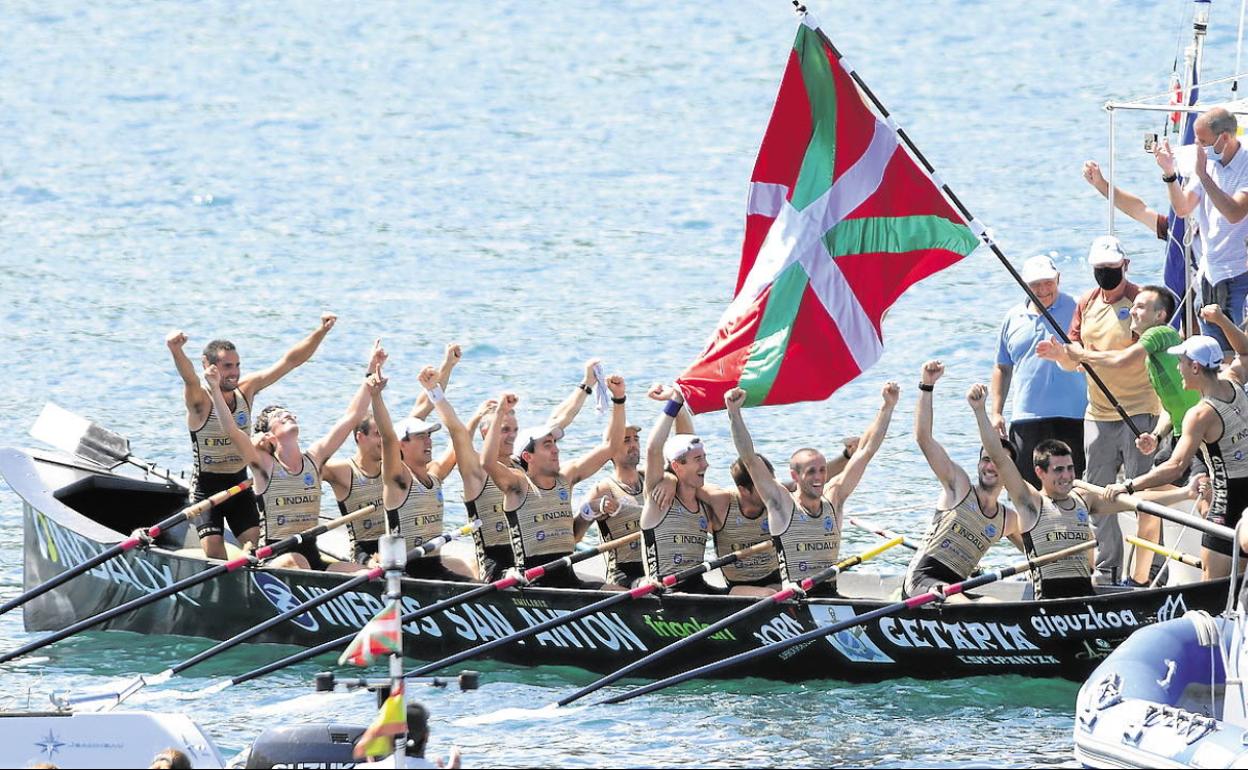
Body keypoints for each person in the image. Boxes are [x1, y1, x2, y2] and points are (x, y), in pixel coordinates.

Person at [1038, 285, 1202, 585]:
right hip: (1178, 435)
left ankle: (1215, 574)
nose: (1132, 312)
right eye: (1133, 306)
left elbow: (1121, 360)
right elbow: (1168, 406)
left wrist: (1083, 354)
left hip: (1200, 434)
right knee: (1146, 504)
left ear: (1160, 315)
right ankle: (1140, 582)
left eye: (1140, 307)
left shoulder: (1159, 334)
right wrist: (1156, 434)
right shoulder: (1153, 359)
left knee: (1203, 500)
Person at [968, 384, 1192, 598]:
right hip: (1050, 603)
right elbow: (998, 457)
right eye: (1058, 470)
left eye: (1070, 468)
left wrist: (1186, 493)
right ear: (1039, 472)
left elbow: (1139, 501)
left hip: (1086, 600)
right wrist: (980, 411)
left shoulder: (1083, 499)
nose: (1066, 476)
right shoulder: (1030, 502)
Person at [166, 314, 337, 560]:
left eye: (237, 365)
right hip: (207, 487)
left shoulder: (246, 389)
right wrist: (176, 350)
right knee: (214, 551)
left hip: (240, 484)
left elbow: (290, 361)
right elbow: (189, 379)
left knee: (253, 546)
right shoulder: (200, 401)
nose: (234, 373)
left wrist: (321, 331)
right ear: (207, 365)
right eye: (227, 366)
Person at [204, 343, 383, 572]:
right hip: (276, 558)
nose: (286, 415)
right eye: (278, 416)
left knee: (369, 574)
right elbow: (231, 429)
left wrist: (370, 372)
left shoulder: (314, 459)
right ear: (269, 435)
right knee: (295, 561)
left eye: (288, 413)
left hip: (311, 557)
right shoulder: (264, 465)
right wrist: (214, 389)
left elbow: (352, 416)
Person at [724, 383, 898, 597]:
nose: (819, 477)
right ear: (795, 476)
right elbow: (750, 459)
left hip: (830, 595)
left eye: (822, 470)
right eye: (811, 472)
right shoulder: (782, 504)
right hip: (794, 599)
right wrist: (734, 412)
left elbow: (865, 452)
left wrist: (887, 407)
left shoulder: (834, 498)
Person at [1105, 333, 1248, 579]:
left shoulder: (1201, 414)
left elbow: (1176, 466)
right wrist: (1219, 320)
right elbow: (1244, 352)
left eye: (1180, 362)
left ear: (1195, 367)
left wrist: (1128, 486)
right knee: (1241, 586)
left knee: (1213, 590)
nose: (1178, 368)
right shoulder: (1234, 379)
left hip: (1229, 505)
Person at [1065, 235, 1162, 583]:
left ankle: (1151, 570)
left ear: (1125, 266)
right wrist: (1064, 354)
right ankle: (1107, 568)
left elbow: (1128, 358)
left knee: (1142, 494)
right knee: (1097, 494)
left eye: (1112, 267)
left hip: (1139, 411)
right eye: (1100, 268)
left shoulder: (1141, 302)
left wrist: (1085, 356)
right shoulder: (1086, 302)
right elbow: (1073, 349)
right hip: (1098, 412)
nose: (1106, 273)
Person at [462, 358, 605, 581]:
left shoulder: (523, 467)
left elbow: (558, 420)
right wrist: (481, 416)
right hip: (497, 565)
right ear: (486, 433)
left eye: (515, 430)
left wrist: (586, 384)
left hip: (529, 556)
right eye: (505, 430)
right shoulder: (477, 471)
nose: (512, 436)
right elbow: (460, 439)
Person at [481, 375, 627, 589]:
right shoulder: (518, 484)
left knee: (632, 598)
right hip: (532, 584)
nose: (556, 449)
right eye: (547, 445)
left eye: (555, 443)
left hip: (569, 580)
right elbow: (487, 462)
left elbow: (611, 446)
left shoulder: (566, 478)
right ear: (528, 456)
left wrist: (619, 399)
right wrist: (500, 413)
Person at [325, 344, 465, 564]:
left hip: (398, 544)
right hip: (365, 552)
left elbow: (426, 405)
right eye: (377, 434)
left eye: (384, 434)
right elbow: (349, 420)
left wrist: (447, 365)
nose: (384, 439)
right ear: (360, 437)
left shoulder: (396, 462)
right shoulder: (343, 471)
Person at [906, 360, 1023, 600]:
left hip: (955, 589)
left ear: (1010, 470)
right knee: (971, 605)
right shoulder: (958, 486)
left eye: (997, 461)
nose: (990, 466)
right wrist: (927, 385)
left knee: (994, 605)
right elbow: (923, 438)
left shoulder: (1008, 520)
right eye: (985, 459)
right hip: (922, 582)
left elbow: (1037, 552)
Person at [368, 366, 484, 580]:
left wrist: (476, 416)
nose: (428, 441)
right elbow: (387, 437)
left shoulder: (435, 475)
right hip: (404, 573)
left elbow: (459, 438)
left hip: (434, 568)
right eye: (421, 437)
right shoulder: (398, 479)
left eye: (429, 435)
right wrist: (376, 396)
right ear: (402, 445)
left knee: (477, 585)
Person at [991, 254, 1088, 486]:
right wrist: (996, 412)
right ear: (1024, 285)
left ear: (1058, 279)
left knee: (1074, 487)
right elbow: (1002, 367)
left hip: (1074, 416)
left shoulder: (1078, 308)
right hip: (1026, 418)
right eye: (1035, 284)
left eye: (1048, 282)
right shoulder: (1012, 317)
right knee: (1028, 488)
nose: (1043, 290)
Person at [1156, 107, 1248, 351]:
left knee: (1243, 353)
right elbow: (1183, 208)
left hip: (1240, 275)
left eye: (1203, 142)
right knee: (1212, 353)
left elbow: (1235, 213)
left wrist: (1204, 177)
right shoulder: (1205, 164)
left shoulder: (1244, 166)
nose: (1198, 147)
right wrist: (1169, 174)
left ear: (1225, 137)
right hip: (1210, 274)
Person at [1084, 159, 1170, 241]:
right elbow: (1139, 210)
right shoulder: (1173, 228)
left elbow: (1139, 210)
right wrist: (1100, 184)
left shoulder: (1174, 230)